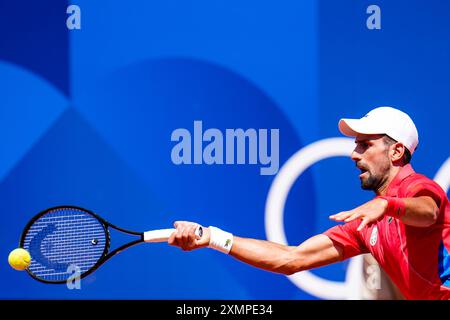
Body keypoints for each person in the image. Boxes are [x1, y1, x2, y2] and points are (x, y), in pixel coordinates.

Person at [168, 106, 450, 300]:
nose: (354, 153)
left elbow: (428, 212)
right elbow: (292, 259)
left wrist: (389, 206)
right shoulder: (367, 224)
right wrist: (213, 237)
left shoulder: (417, 187)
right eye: (356, 144)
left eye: (365, 144)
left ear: (396, 152)